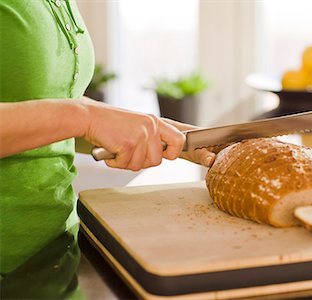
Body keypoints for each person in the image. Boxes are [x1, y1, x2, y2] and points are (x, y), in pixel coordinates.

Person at [0, 0, 215, 276]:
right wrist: (85, 117)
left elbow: (44, 104)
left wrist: (168, 134)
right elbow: (75, 114)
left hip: (55, 253)